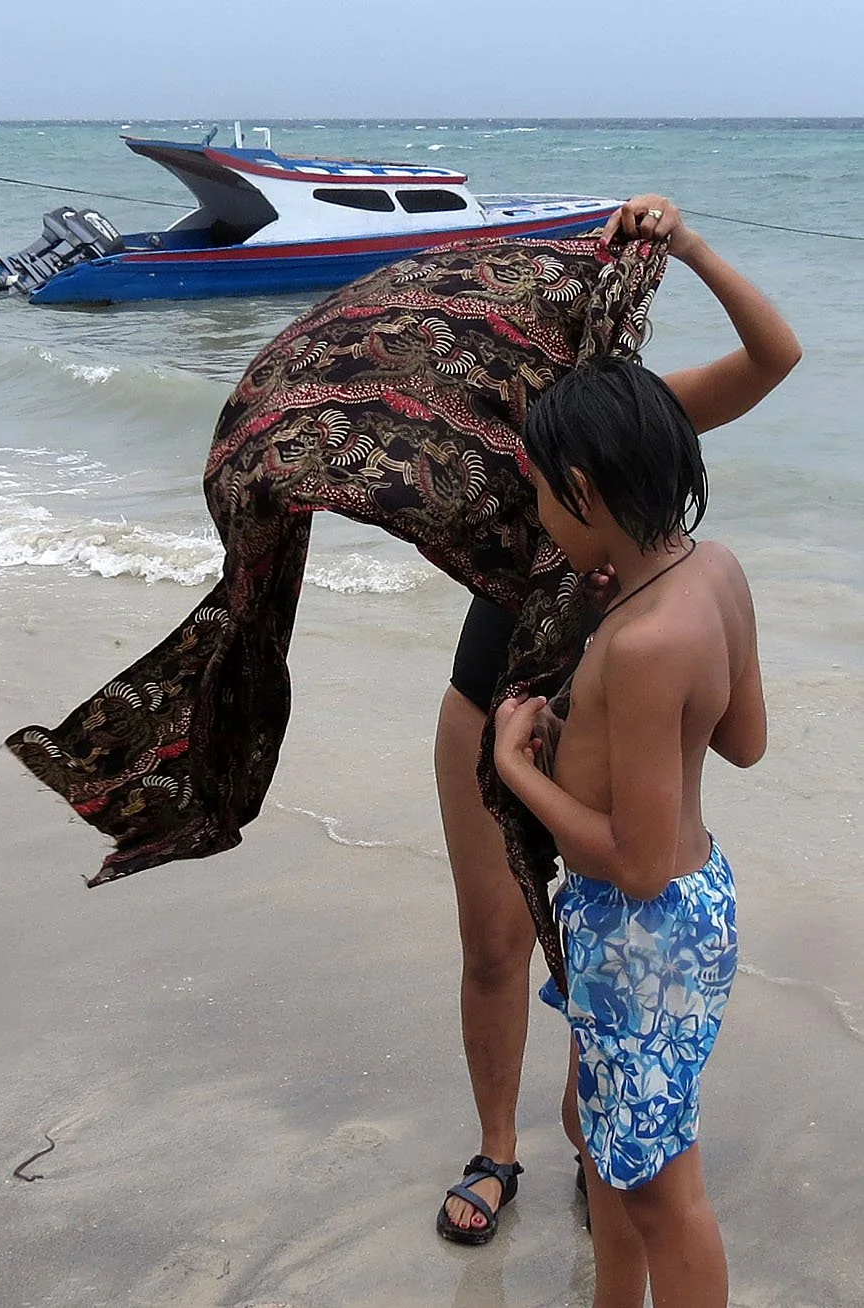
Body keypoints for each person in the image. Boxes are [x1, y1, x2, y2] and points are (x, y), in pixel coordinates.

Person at [435, 195, 801, 1244]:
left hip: (604, 710)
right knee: (499, 944)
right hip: (490, 700)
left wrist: (684, 246)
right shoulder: (462, 446)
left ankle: (606, 1148)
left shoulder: (613, 433)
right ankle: (499, 1148)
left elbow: (775, 357)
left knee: (601, 943)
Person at [489, 351, 768, 1308]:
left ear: (583, 490)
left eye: (542, 499)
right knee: (602, 1137)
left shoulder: (643, 642)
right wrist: (607, 731)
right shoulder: (714, 572)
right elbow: (745, 741)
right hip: (695, 916)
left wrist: (519, 771)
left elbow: (636, 863)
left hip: (642, 932)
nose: (538, 521)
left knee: (663, 1191)